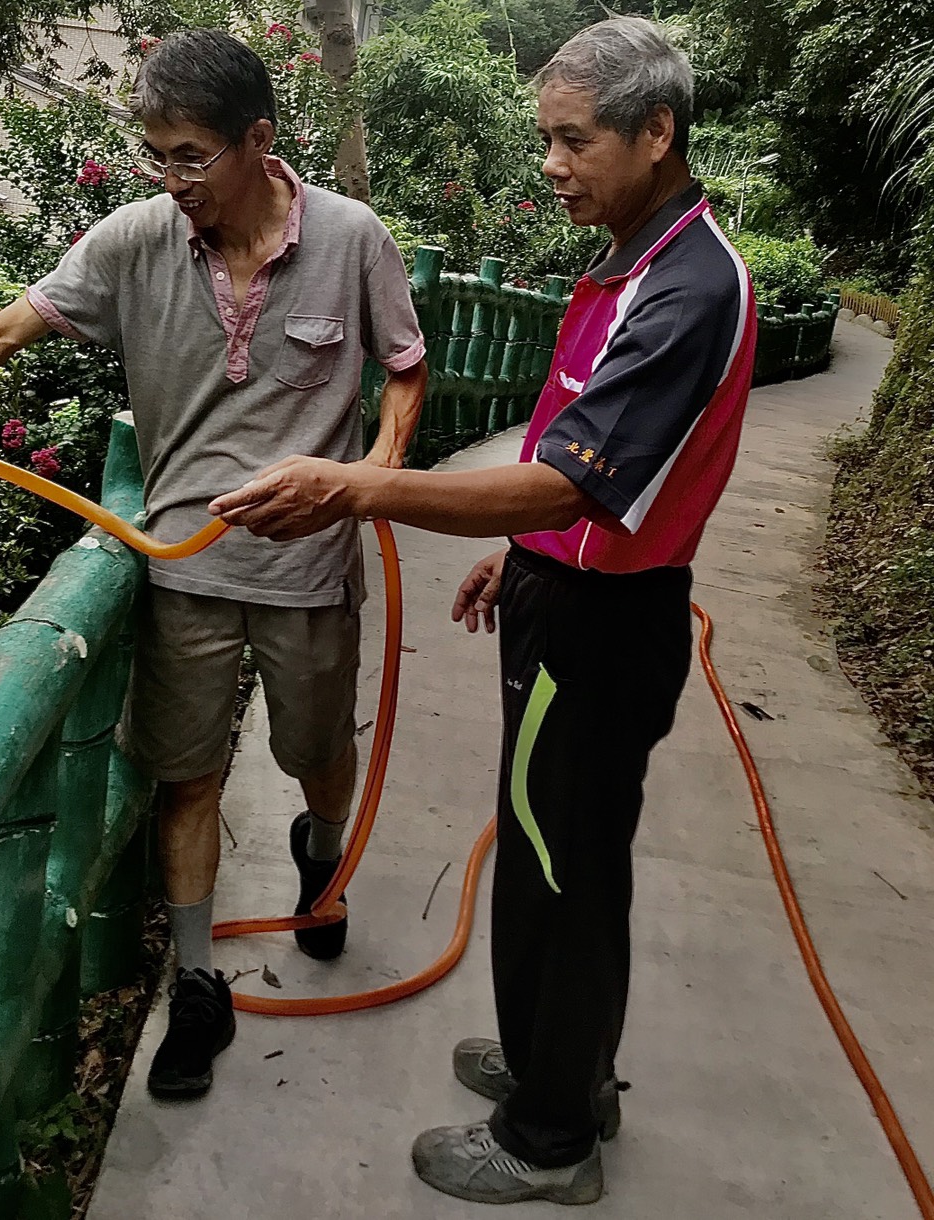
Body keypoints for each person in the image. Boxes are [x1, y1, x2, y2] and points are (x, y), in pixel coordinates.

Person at [0, 30, 426, 1102]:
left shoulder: (354, 238)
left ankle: (322, 852)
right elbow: (0, 331)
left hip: (310, 569)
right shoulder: (134, 240)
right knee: (188, 778)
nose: (170, 180)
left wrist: (371, 473)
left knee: (318, 752)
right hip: (180, 568)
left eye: (189, 156)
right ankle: (199, 977)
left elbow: (404, 372)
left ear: (258, 143)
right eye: (155, 155)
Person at [210, 16, 756, 1206]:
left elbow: (578, 476)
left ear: (656, 132)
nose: (551, 164)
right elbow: (590, 451)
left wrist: (358, 483)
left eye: (573, 140)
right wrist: (522, 555)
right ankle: (562, 1054)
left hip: (606, 626)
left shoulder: (690, 285)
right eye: (545, 139)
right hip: (570, 592)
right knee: (548, 844)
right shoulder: (628, 259)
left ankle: (551, 1131)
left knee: (561, 862)